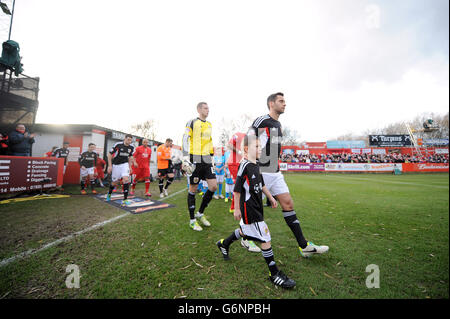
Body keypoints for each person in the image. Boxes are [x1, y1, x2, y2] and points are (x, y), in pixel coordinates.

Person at [248, 92, 329, 258]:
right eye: (281, 101)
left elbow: (273, 148)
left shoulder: (278, 125)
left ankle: (304, 246)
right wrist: (252, 168)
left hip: (275, 173)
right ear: (271, 103)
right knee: (251, 210)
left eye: (284, 101)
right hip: (261, 172)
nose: (285, 104)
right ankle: (239, 239)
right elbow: (249, 144)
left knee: (288, 204)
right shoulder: (262, 121)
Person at [216, 134, 296, 289]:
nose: (260, 149)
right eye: (257, 147)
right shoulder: (244, 165)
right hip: (249, 208)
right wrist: (237, 208)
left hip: (257, 205)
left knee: (244, 231)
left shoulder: (257, 164)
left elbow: (262, 184)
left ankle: (224, 244)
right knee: (265, 237)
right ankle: (274, 274)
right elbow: (237, 189)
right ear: (247, 149)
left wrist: (271, 197)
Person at [181, 102, 217, 231]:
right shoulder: (191, 122)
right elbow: (185, 138)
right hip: (194, 157)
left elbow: (210, 141)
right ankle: (192, 220)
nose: (208, 110)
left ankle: (200, 213)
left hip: (206, 158)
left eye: (208, 108)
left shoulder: (209, 125)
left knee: (213, 186)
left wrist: (212, 157)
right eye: (205, 108)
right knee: (193, 189)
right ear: (199, 109)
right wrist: (185, 157)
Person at [106, 134, 135, 205]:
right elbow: (109, 154)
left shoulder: (131, 147)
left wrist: (130, 167)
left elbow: (130, 157)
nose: (129, 141)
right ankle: (109, 193)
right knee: (114, 182)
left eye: (130, 140)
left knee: (126, 179)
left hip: (124, 165)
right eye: (128, 139)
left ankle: (125, 199)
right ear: (124, 139)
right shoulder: (118, 145)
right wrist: (109, 166)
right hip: (116, 165)